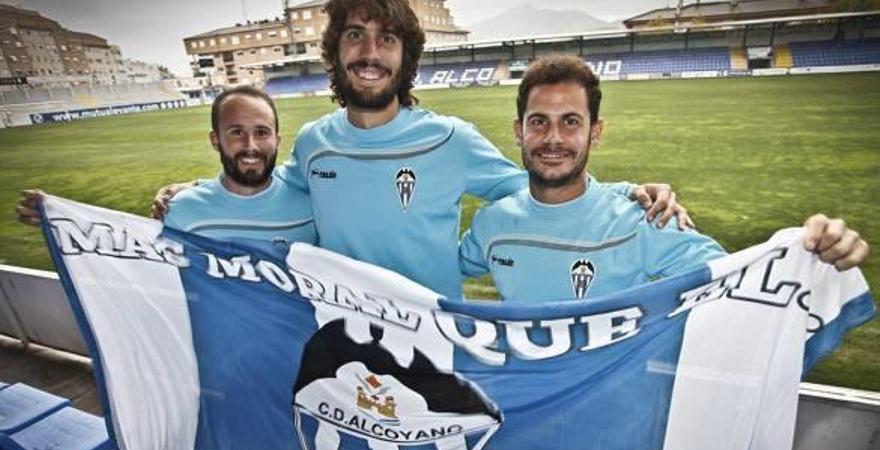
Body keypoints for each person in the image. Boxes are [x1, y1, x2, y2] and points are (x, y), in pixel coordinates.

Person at [152, 0, 688, 299]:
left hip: (433, 336)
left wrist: (628, 194)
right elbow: (265, 192)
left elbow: (540, 188)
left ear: (405, 57)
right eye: (356, 36)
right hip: (340, 332)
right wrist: (193, 192)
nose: (369, 52)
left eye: (387, 40)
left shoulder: (449, 139)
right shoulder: (315, 144)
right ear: (335, 51)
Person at [459, 55, 870, 302]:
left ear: (595, 133)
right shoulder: (492, 224)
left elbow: (743, 281)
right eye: (538, 122)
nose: (553, 139)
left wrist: (812, 250)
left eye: (570, 122)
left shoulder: (643, 218)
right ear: (519, 131)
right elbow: (424, 276)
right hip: (521, 426)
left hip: (616, 434)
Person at [17, 86, 317, 246]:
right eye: (236, 132)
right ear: (215, 140)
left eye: (261, 133)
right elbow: (129, 252)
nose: (250, 145)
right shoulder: (181, 210)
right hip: (215, 359)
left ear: (277, 140)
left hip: (304, 359)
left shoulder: (311, 204)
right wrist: (61, 221)